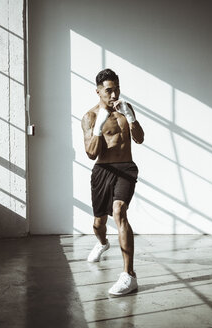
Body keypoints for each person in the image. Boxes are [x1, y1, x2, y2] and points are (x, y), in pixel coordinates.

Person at [81, 68, 144, 296]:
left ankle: (129, 275)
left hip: (126, 167)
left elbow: (140, 139)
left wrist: (131, 117)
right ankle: (102, 242)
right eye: (109, 90)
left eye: (117, 89)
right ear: (98, 91)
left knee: (120, 212)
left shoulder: (125, 109)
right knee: (99, 223)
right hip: (102, 170)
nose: (114, 94)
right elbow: (90, 153)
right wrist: (98, 127)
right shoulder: (89, 117)